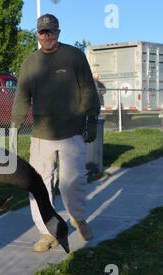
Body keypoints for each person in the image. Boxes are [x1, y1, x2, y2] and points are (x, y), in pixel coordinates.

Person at [11, 14, 101, 252]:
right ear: (38, 35)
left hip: (72, 133)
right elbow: (22, 97)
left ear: (58, 33)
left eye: (51, 31)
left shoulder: (74, 56)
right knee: (40, 185)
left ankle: (79, 219)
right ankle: (46, 232)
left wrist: (91, 118)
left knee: (73, 183)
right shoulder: (30, 63)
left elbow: (88, 90)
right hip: (41, 136)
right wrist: (14, 125)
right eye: (42, 32)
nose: (47, 36)